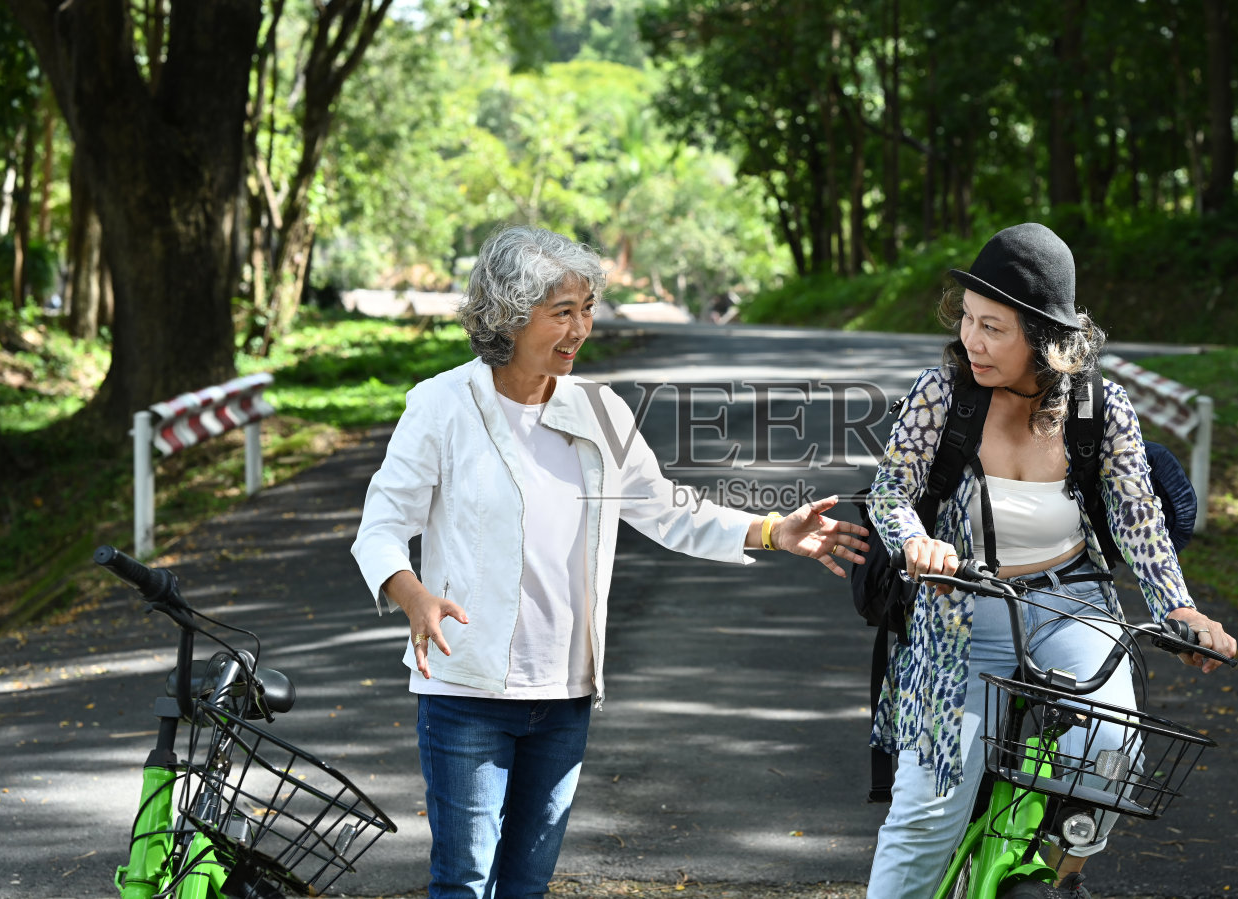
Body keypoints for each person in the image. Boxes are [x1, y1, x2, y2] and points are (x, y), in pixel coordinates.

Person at [350, 225, 870, 899]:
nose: (580, 328)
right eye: (561, 311)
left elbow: (669, 509)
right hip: (467, 691)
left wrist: (772, 530)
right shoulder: (442, 407)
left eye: (587, 309)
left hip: (565, 692)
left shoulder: (597, 410)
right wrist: (412, 594)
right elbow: (381, 529)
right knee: (466, 881)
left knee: (527, 885)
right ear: (508, 315)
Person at [863, 223, 1238, 899]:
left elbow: (1135, 516)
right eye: (969, 321)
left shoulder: (1100, 406)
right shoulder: (941, 393)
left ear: (1042, 335)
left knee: (1111, 755)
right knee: (926, 813)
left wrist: (1177, 607)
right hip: (959, 611)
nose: (973, 340)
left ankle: (1049, 877)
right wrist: (914, 540)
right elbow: (891, 492)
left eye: (994, 327)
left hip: (1070, 600)